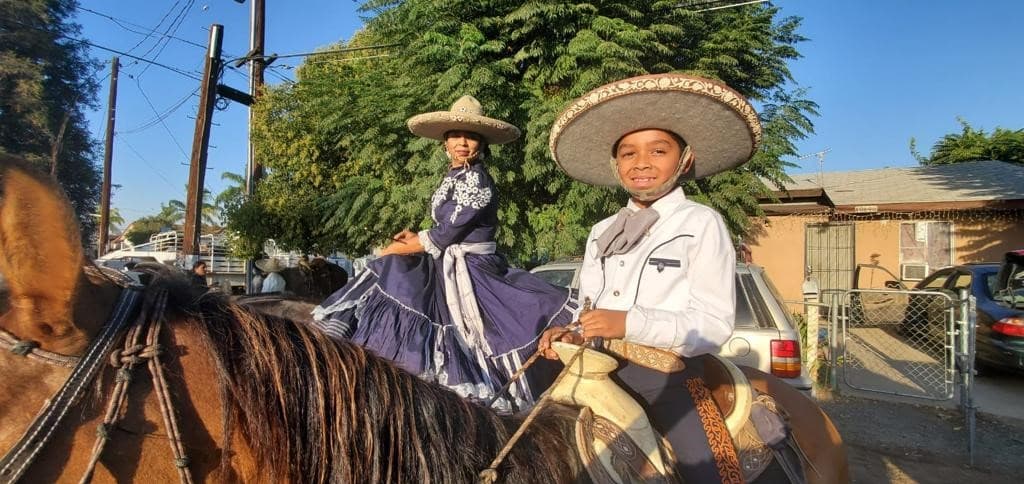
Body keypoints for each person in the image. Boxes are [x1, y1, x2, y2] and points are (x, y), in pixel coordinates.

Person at [538, 73, 762, 483]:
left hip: (668, 377)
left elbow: (714, 325)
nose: (641, 163)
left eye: (658, 151)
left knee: (709, 471)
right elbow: (589, 305)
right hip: (595, 366)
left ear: (685, 160)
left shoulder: (701, 223)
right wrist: (571, 332)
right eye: (628, 154)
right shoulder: (601, 230)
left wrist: (629, 323)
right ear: (616, 165)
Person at [313, 95, 576, 411]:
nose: (462, 143)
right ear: (445, 142)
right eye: (455, 135)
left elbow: (446, 233)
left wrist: (397, 248)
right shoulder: (454, 175)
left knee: (391, 268)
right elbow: (446, 226)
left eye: (471, 136)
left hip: (474, 269)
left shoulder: (476, 178)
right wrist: (414, 239)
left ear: (482, 143)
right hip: (449, 262)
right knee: (400, 277)